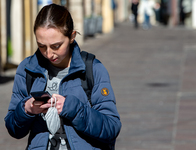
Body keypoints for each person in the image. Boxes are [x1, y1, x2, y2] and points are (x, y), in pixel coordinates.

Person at [4, 3, 121, 150]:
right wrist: (26, 109)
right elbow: (13, 129)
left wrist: (74, 109)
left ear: (71, 36)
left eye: (56, 46)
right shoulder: (26, 70)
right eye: (41, 46)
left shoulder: (93, 69)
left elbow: (111, 127)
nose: (48, 53)